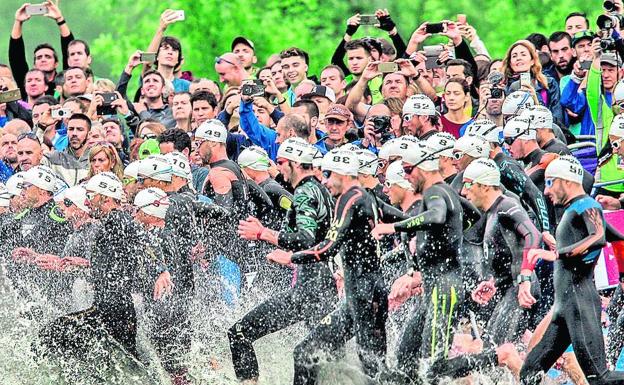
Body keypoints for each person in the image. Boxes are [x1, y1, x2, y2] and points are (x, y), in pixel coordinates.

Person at [265, 148, 403, 385]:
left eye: (328, 174)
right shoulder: (367, 196)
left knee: (372, 370)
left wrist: (292, 257)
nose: (325, 181)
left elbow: (327, 247)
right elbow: (404, 220)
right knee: (309, 354)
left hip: (363, 295)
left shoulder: (349, 198)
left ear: (343, 173)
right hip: (365, 293)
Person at [230, 138, 336, 384]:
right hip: (321, 286)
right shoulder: (320, 190)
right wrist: (291, 259)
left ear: (295, 163)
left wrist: (264, 233)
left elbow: (306, 237)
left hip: (309, 290)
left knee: (238, 333)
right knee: (310, 358)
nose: (276, 168)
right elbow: (321, 242)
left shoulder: (305, 192)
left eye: (280, 162)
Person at [37, 172, 170, 363]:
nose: (88, 202)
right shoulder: (109, 223)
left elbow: (145, 237)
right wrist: (82, 265)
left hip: (115, 310)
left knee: (52, 336)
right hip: (109, 308)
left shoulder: (117, 219)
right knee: (120, 362)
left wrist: (161, 270)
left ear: (105, 197)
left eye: (90, 196)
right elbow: (115, 266)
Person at [427, 158, 540, 380]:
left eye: (469, 184)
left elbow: (532, 235)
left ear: (485, 186)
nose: (464, 190)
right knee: (496, 354)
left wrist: (525, 277)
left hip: (521, 290)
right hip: (510, 289)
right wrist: (493, 282)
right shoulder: (490, 214)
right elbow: (508, 255)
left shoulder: (507, 206)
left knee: (499, 354)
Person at [520, 156, 624, 385]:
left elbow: (597, 238)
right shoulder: (576, 208)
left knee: (601, 379)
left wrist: (557, 253)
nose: (546, 192)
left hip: (580, 304)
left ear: (566, 182)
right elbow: (618, 240)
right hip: (564, 309)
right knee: (529, 374)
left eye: (549, 183)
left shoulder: (587, 205)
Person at [371, 142, 465, 381]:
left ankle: (497, 357)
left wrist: (393, 226)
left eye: (408, 169)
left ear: (423, 167)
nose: (406, 176)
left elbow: (437, 216)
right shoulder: (446, 191)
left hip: (444, 288)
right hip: (433, 289)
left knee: (433, 367)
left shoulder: (434, 191)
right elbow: (472, 215)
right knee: (405, 360)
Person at [131, 186, 190, 385]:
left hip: (164, 310)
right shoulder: (169, 233)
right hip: (176, 308)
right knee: (179, 370)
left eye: (137, 210)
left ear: (149, 211)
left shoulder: (156, 236)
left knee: (174, 373)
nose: (134, 215)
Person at [10, 1, 74, 99]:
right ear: (35, 65)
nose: (43, 59)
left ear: (56, 63)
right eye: (39, 57)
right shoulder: (29, 84)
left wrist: (60, 19)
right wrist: (18, 21)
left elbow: (70, 51)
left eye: (48, 57)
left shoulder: (64, 81)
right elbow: (16, 58)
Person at [500, 40, 563, 125]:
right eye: (514, 56)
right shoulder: (505, 87)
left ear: (532, 60)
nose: (518, 58)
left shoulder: (548, 83)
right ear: (510, 63)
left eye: (523, 54)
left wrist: (536, 100)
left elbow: (558, 120)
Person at [237, 146, 293, 227]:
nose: (240, 172)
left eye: (241, 167)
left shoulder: (271, 188)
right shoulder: (257, 187)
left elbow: (298, 209)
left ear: (252, 167)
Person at [41, 113, 91, 186]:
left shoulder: (96, 159)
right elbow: (32, 155)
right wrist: (41, 126)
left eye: (80, 130)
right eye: (71, 129)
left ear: (89, 134)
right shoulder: (54, 158)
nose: (74, 133)